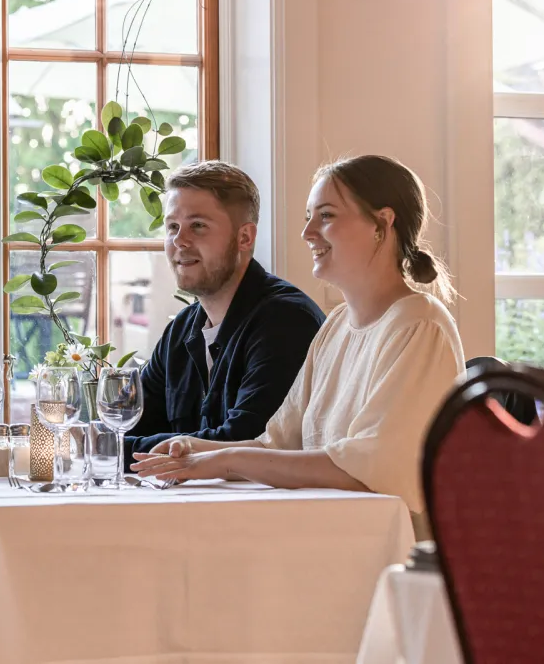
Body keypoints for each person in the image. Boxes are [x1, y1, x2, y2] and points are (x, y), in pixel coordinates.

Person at [132, 155, 466, 537]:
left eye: (326, 216)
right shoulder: (337, 326)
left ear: (382, 223)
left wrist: (223, 460)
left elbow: (368, 471)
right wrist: (187, 448)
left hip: (387, 551)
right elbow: (278, 442)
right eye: (309, 216)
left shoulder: (418, 325)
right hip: (325, 534)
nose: (307, 232)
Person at [124, 161, 326, 459]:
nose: (179, 241)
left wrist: (105, 447)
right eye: (172, 227)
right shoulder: (181, 330)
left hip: (264, 504)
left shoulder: (285, 321)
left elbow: (242, 441)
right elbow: (126, 427)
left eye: (198, 226)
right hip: (194, 502)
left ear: (245, 238)